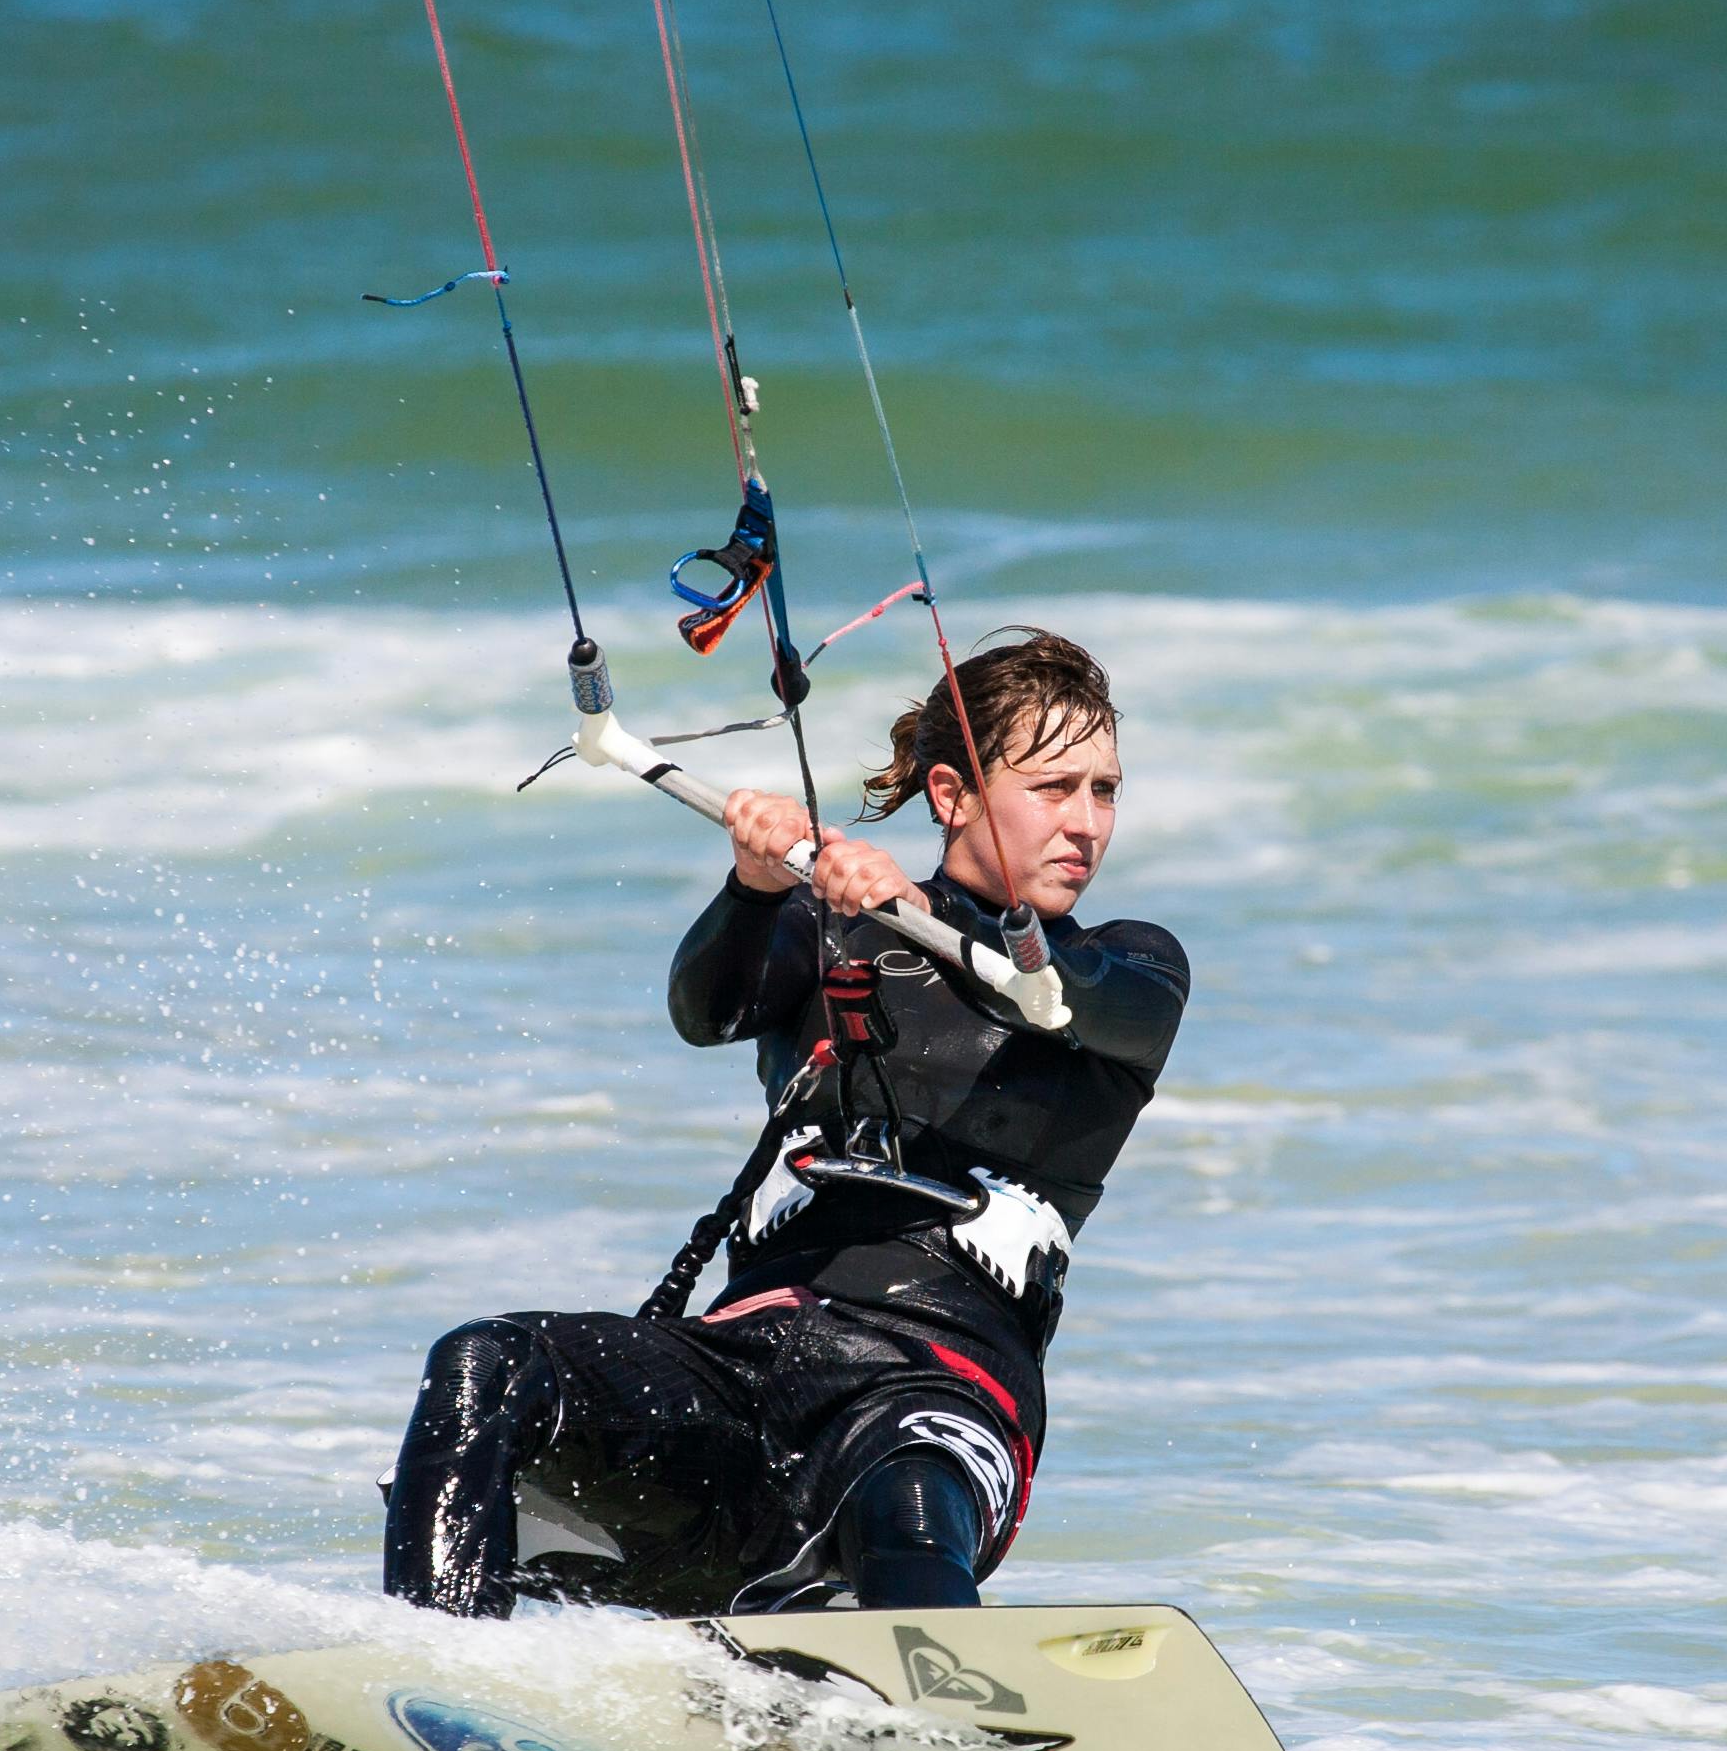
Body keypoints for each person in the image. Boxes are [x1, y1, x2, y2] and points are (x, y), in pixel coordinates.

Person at [381, 629, 1187, 1619]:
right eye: (1054, 787)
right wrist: (758, 886)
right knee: (484, 1362)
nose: (1086, 822)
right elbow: (705, 1012)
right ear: (953, 795)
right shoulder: (826, 925)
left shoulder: (1134, 966)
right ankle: (433, 1676)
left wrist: (920, 909)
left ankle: (945, 1720)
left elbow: (1057, 992)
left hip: (936, 1387)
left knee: (906, 1505)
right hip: (748, 1373)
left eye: (1103, 791)